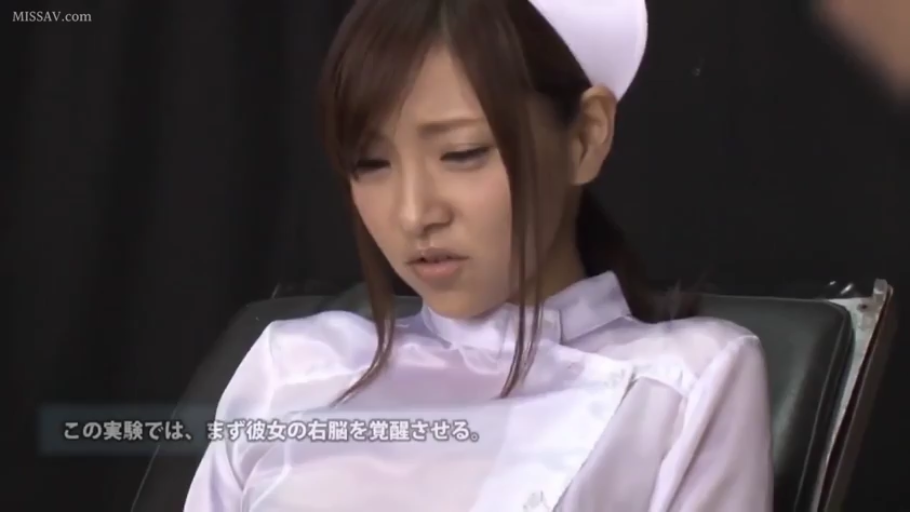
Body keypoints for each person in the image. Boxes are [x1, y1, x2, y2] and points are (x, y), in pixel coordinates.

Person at [184, 0, 774, 510]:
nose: (414, 213)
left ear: (586, 136)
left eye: (462, 153)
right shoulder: (294, 369)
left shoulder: (680, 383)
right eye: (370, 163)